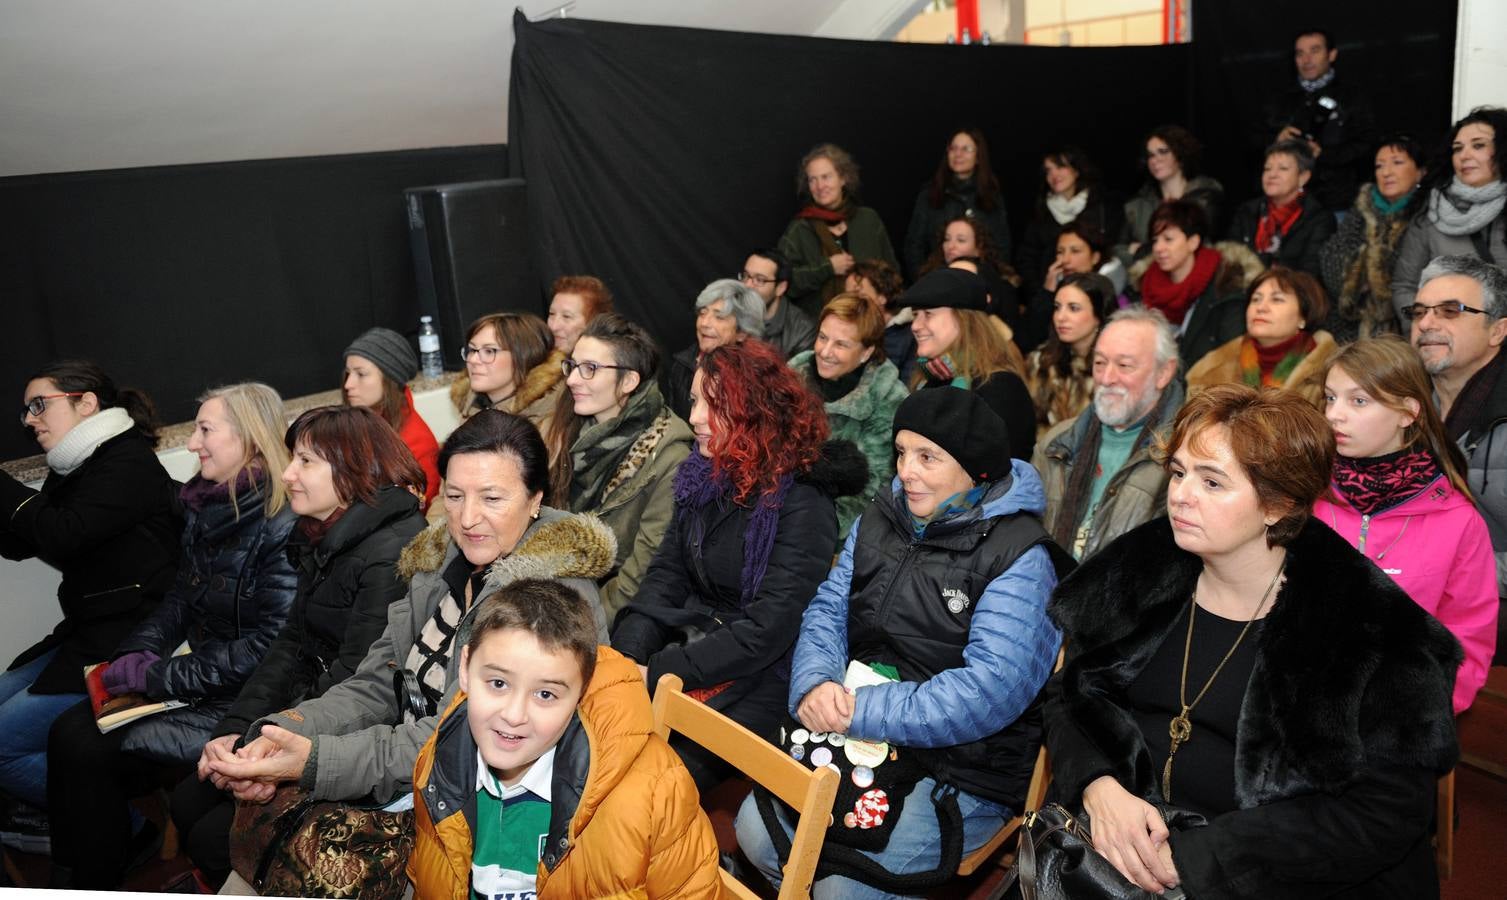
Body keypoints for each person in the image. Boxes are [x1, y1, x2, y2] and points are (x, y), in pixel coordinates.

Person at [1044, 384, 1459, 897]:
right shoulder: (1138, 572)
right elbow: (1069, 695)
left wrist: (1203, 857)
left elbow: (1385, 812)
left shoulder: (1373, 632)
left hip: (1272, 875)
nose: (1180, 494)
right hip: (1120, 849)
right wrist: (1099, 784)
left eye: (1212, 482)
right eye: (1178, 472)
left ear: (1277, 505)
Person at [204, 411, 613, 835]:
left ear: (534, 501)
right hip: (411, 768)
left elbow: (454, 738)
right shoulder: (440, 564)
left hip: (481, 803)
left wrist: (314, 761)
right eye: (454, 497)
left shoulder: (547, 601)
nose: (468, 518)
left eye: (492, 499)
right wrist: (284, 731)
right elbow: (378, 681)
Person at [734, 387, 1066, 898]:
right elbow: (829, 609)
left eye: (927, 457)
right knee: (754, 834)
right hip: (858, 727)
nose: (904, 470)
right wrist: (816, 681)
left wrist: (857, 710)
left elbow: (990, 690)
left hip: (964, 762)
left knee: (842, 891)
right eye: (902, 452)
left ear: (975, 471)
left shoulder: (1020, 557)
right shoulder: (883, 515)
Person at [47, 382, 299, 890]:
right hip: (201, 680)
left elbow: (268, 649)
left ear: (248, 439)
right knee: (69, 729)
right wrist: (138, 652)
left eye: (206, 430)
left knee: (85, 745)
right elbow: (180, 601)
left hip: (248, 700)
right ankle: (81, 873)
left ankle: (95, 879)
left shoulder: (281, 522)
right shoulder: (207, 506)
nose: (191, 443)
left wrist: (158, 675)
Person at [169, 404, 427, 887]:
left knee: (211, 836)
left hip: (351, 733)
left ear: (354, 468)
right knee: (188, 799)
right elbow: (289, 646)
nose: (287, 474)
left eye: (306, 461)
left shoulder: (391, 549)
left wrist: (262, 747)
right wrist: (236, 730)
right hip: (302, 713)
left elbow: (359, 680)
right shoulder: (320, 534)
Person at [612, 340, 865, 791]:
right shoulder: (703, 473)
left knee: (651, 780)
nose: (694, 418)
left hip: (763, 671)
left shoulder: (803, 500)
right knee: (596, 729)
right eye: (694, 400)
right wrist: (628, 655)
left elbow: (769, 629)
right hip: (694, 640)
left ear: (756, 413)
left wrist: (662, 672)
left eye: (715, 405)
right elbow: (666, 575)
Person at [408, 579, 722, 900]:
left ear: (580, 694)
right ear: (464, 668)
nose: (514, 715)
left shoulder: (655, 794)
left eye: (545, 694)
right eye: (498, 683)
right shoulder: (439, 762)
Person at [0, 361, 181, 835]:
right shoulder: (77, 461)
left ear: (86, 402)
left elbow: (64, 534)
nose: (29, 420)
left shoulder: (126, 462)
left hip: (125, 641)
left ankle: (127, 830)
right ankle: (59, 818)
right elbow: (26, 542)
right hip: (87, 632)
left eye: (39, 405)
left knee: (1, 745)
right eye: (25, 411)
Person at [1315, 336, 1497, 713]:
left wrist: (1411, 714)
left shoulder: (1458, 521)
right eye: (1331, 397)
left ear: (1408, 412)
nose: (1334, 414)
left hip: (1396, 730)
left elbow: (1469, 643)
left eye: (1358, 400)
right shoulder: (1304, 496)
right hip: (1299, 721)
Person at [546, 314, 693, 618]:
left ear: (629, 381)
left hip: (603, 613)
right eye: (572, 366)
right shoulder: (566, 429)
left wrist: (582, 626)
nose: (572, 379)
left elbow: (640, 574)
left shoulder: (669, 455)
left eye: (590, 369)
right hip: (557, 590)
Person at [1409, 255, 1507, 662]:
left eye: (1451, 310)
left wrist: (1447, 574)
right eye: (1419, 312)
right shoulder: (1401, 405)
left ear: (1497, 330)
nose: (1427, 323)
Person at [1035, 308, 1184, 561]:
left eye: (1124, 365)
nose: (1107, 378)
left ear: (1164, 373)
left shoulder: (1182, 453)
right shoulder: (1058, 442)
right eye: (1100, 363)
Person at [790, 294, 910, 541]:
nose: (825, 351)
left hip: (837, 535)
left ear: (867, 352)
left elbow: (873, 489)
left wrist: (813, 528)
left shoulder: (888, 398)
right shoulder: (791, 377)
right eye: (822, 337)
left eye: (841, 344)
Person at [904, 267, 1035, 462]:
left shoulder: (1000, 388)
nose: (915, 325)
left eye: (928, 314)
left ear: (964, 320)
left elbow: (1004, 474)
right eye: (915, 315)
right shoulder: (927, 380)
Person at [1391, 107, 1507, 325]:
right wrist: (1427, 330)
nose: (1464, 155)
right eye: (1457, 148)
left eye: (1478, 145)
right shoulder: (1432, 211)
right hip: (1451, 343)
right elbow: (1404, 285)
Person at [1318, 134, 1428, 341]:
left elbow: (1413, 274)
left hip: (1403, 321)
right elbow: (1330, 258)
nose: (1386, 172)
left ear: (1421, 172)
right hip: (1351, 319)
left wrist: (1368, 269)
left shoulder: (1427, 213)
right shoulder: (1362, 207)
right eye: (1379, 166)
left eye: (1397, 163)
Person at [1130, 200, 1263, 371]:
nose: (1158, 248)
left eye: (1168, 239)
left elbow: (1230, 358)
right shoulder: (1146, 283)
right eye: (1155, 240)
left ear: (1193, 242)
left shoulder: (1226, 286)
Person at [1256, 28, 1377, 214]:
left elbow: (1368, 145)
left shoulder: (1352, 97)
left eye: (1314, 50)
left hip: (1338, 202)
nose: (1307, 59)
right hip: (1287, 204)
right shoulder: (1280, 99)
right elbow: (1252, 143)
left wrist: (1323, 154)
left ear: (1332, 54)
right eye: (1300, 53)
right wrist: (1277, 140)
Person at [1186, 266, 1339, 406]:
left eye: (1277, 299)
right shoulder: (1209, 371)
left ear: (1303, 317)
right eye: (1255, 299)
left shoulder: (1329, 373)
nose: (1261, 307)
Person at [777, 143, 899, 317]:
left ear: (843, 178)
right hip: (821, 327)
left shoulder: (868, 219)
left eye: (826, 177)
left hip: (873, 321)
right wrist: (828, 268)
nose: (820, 186)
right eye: (813, 179)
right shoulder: (799, 229)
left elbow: (892, 273)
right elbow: (785, 283)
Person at [341, 326, 441, 510]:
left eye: (361, 374)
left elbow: (417, 511)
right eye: (348, 373)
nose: (348, 384)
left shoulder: (416, 442)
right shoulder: (354, 424)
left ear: (389, 380)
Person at [902, 128, 1012, 281]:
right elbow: (914, 246)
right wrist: (924, 283)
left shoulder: (992, 196)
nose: (958, 154)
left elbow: (1002, 247)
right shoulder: (930, 194)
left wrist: (991, 283)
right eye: (953, 148)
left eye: (966, 149)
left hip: (981, 284)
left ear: (979, 156)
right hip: (936, 282)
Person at [1024, 273, 1118, 440]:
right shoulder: (1041, 362)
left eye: (1073, 308)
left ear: (1099, 315)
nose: (1061, 317)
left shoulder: (1115, 371)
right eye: (1057, 307)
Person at [1016, 146, 1122, 293]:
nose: (1053, 175)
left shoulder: (1102, 207)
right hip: (1051, 293)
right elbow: (1027, 259)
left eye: (1060, 167)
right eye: (1048, 170)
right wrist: (1041, 293)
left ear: (1076, 169)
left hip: (1097, 290)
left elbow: (1113, 249)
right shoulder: (1041, 212)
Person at [1116, 125, 1225, 266]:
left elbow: (1196, 246)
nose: (1155, 160)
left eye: (1163, 152)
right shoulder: (1136, 205)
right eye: (1151, 155)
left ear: (1180, 155)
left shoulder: (1206, 196)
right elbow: (1116, 250)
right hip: (1147, 281)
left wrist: (1140, 250)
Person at [1225, 140, 1337, 277]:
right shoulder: (1247, 211)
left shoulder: (1318, 218)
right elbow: (1230, 261)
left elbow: (1310, 273)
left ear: (1303, 177)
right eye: (1267, 168)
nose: (1272, 175)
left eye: (1283, 168)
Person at [661, 278, 766, 421]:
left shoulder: (759, 378)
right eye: (703, 313)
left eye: (719, 317)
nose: (704, 323)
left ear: (742, 332)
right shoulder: (683, 365)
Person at [450, 312, 566, 435]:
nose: (473, 360)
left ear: (524, 357)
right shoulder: (471, 405)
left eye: (489, 351)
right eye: (472, 350)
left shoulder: (546, 423)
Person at [1021, 221, 1129, 351]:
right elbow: (1028, 338)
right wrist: (1047, 292)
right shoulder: (1056, 286)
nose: (1065, 260)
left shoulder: (1121, 300)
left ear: (1095, 257)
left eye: (1075, 251)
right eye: (1060, 252)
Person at [918, 216, 1022, 344]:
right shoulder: (931, 278)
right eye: (946, 239)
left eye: (961, 240)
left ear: (979, 248)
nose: (951, 246)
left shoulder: (998, 286)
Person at [847, 259, 918, 381]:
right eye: (847, 296)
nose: (851, 304)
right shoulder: (848, 332)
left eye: (859, 295)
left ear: (882, 297)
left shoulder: (911, 335)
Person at [740, 247, 816, 359]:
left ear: (780, 288)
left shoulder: (802, 331)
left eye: (760, 280)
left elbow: (797, 375)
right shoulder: (728, 310)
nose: (747, 285)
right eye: (746, 276)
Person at [546, 274, 614, 356]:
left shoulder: (609, 366)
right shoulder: (535, 364)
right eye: (552, 314)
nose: (553, 326)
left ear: (593, 322)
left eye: (566, 316)